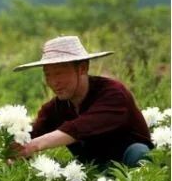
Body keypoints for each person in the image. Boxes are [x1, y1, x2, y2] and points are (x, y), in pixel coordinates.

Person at [11, 35, 153, 168]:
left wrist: (35, 145)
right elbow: (32, 135)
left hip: (129, 168)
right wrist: (15, 148)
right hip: (92, 172)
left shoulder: (113, 93)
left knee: (138, 152)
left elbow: (82, 126)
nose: (54, 82)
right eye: (48, 75)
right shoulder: (54, 108)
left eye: (59, 73)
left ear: (82, 68)